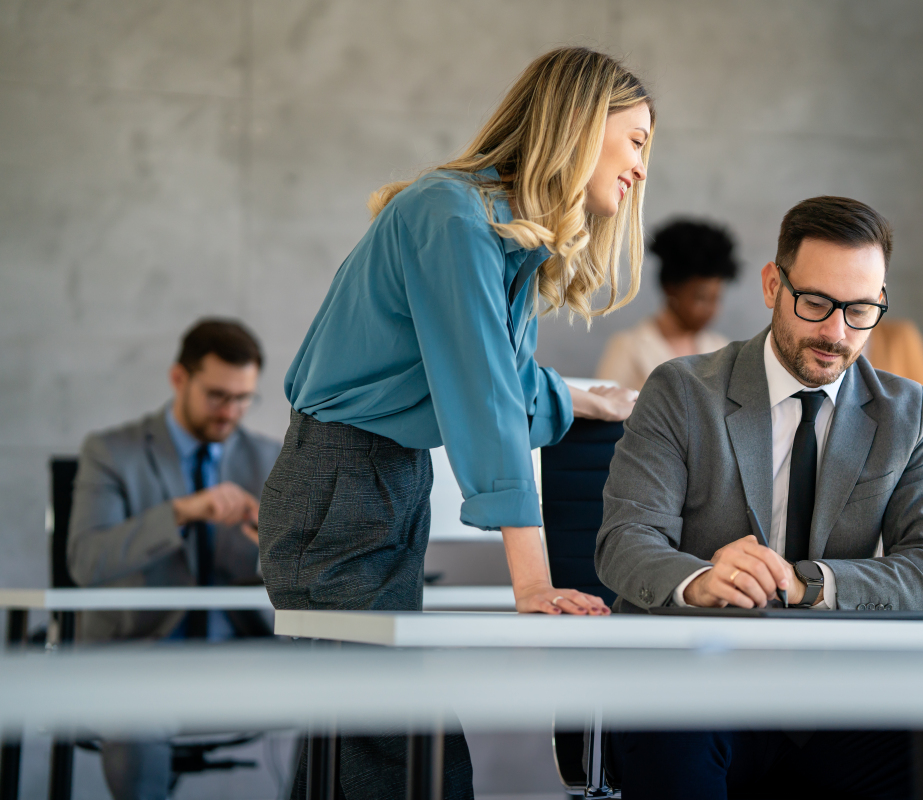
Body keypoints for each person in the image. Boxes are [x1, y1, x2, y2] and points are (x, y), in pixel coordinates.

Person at [258, 47, 653, 799]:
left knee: (360, 743)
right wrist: (531, 583)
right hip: (341, 482)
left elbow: (494, 375)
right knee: (402, 751)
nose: (640, 167)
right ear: (580, 123)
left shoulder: (503, 235)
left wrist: (575, 399)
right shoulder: (452, 214)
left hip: (383, 481)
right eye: (634, 139)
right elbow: (482, 399)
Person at [595, 197, 923, 799]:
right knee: (674, 747)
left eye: (860, 311)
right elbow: (624, 542)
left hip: (832, 700)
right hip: (696, 685)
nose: (836, 333)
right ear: (774, 284)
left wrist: (811, 584)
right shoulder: (681, 391)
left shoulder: (904, 413)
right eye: (817, 304)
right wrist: (697, 582)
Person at [68, 318, 281, 800]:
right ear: (179, 379)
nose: (231, 412)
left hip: (241, 651)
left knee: (348, 679)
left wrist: (270, 544)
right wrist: (179, 512)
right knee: (137, 704)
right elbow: (86, 560)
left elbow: (300, 575)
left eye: (244, 398)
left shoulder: (270, 458)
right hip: (138, 653)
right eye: (217, 395)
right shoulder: (111, 453)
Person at [595, 218, 737, 390]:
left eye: (716, 298)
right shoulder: (628, 348)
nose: (711, 310)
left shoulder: (722, 350)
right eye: (701, 298)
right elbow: (606, 411)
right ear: (671, 289)